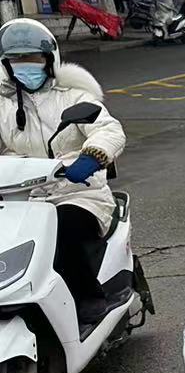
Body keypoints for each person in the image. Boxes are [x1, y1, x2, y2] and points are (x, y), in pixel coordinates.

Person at [0, 17, 125, 327]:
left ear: (49, 60)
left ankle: (88, 296)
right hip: (22, 198)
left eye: (33, 59)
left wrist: (93, 155)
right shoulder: (2, 106)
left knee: (62, 228)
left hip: (80, 193)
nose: (25, 67)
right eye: (17, 61)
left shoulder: (74, 96)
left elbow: (108, 129)